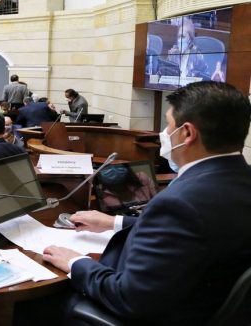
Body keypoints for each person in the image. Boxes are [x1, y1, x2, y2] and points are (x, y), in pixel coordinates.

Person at [40, 81, 251, 325]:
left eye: (168, 124)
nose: (163, 133)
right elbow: (195, 232)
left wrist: (77, 263)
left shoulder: (180, 203)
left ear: (188, 133)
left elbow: (130, 298)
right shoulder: (239, 180)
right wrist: (114, 222)